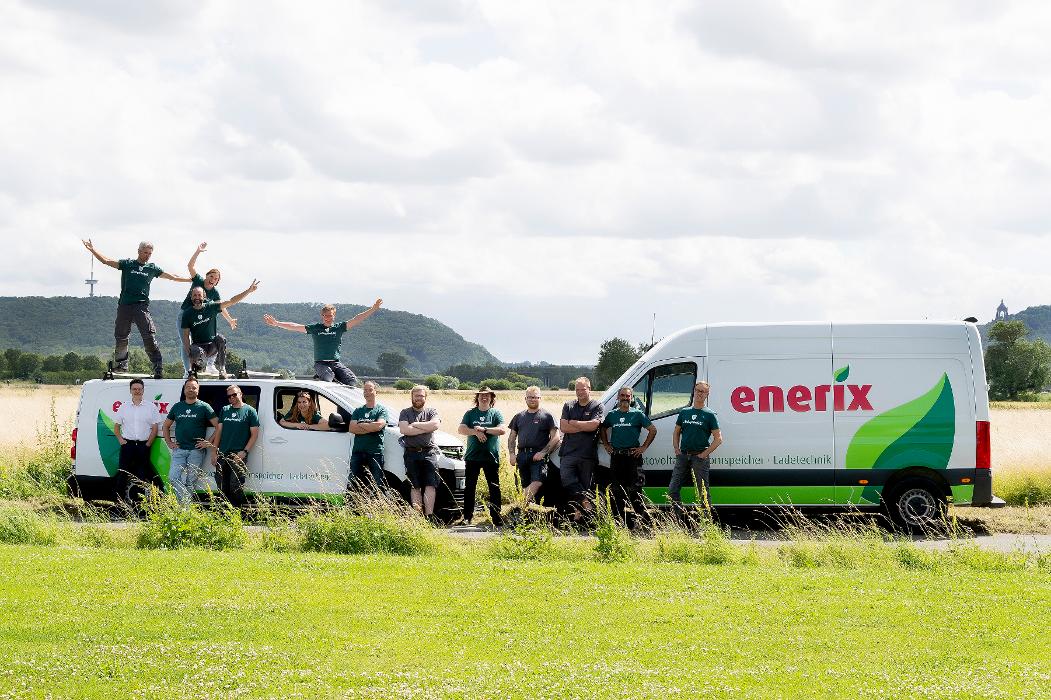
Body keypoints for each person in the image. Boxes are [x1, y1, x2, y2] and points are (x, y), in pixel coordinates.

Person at [82, 239, 192, 378]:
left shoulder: (152, 268)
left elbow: (172, 276)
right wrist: (92, 250)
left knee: (149, 336)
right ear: (139, 251)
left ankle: (157, 365)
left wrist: (189, 279)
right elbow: (106, 261)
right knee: (121, 336)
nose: (147, 255)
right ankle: (121, 364)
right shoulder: (128, 264)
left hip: (141, 306)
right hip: (125, 306)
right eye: (145, 252)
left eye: (150, 253)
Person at [262, 299, 383, 386]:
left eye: (330, 315)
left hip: (335, 363)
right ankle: (321, 376)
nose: (327, 318)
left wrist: (373, 309)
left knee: (352, 380)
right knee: (329, 376)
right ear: (322, 316)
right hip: (321, 364)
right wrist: (277, 323)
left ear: (334, 315)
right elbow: (295, 326)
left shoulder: (339, 327)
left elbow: (357, 319)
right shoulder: (316, 328)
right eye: (325, 316)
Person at [600, 386, 657, 527]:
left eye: (628, 396)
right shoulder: (612, 415)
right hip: (617, 457)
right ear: (618, 397)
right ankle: (619, 522)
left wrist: (643, 447)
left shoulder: (637, 414)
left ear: (631, 398)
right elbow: (603, 428)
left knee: (635, 490)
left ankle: (639, 523)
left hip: (633, 457)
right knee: (617, 490)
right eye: (623, 395)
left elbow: (652, 430)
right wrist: (606, 444)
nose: (625, 398)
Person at [181, 279, 260, 378]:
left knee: (220, 338)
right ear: (191, 297)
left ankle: (222, 369)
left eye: (199, 295)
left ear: (204, 296)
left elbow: (231, 301)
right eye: (195, 295)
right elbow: (185, 335)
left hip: (212, 346)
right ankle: (196, 368)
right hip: (199, 348)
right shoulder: (187, 313)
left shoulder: (211, 307)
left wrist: (248, 291)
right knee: (194, 350)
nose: (197, 297)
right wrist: (190, 354)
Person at [162, 378, 218, 505]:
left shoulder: (204, 407)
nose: (191, 389)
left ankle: (184, 509)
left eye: (194, 387)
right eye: (188, 387)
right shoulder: (177, 406)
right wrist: (169, 442)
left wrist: (208, 442)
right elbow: (165, 426)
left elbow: (218, 425)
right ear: (184, 389)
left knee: (190, 481)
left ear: (198, 390)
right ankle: (184, 505)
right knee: (173, 477)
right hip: (179, 450)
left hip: (196, 451)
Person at [669, 381, 723, 513]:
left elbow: (718, 439)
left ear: (707, 394)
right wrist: (676, 448)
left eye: (703, 391)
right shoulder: (684, 412)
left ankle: (705, 524)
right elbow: (676, 432)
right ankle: (678, 521)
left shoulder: (710, 414)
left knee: (703, 492)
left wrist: (704, 454)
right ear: (694, 391)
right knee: (673, 489)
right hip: (683, 456)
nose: (699, 393)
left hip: (700, 458)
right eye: (698, 390)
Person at [458, 387, 506, 527]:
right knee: (470, 487)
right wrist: (475, 432)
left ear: (491, 398)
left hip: (491, 457)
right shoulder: (470, 413)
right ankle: (467, 517)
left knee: (494, 487)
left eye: (487, 396)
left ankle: (496, 518)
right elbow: (461, 429)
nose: (484, 398)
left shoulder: (495, 413)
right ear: (477, 398)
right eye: (481, 396)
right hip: (472, 457)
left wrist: (484, 430)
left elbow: (502, 430)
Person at [559, 377, 604, 520]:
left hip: (587, 454)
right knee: (566, 479)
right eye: (577, 389)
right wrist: (584, 426)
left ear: (589, 389)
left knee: (585, 486)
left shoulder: (597, 406)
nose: (580, 392)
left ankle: (580, 518)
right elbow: (564, 427)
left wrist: (573, 422)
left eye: (583, 389)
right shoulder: (569, 405)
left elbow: (594, 425)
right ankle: (586, 503)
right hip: (568, 453)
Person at [508, 386, 560, 508]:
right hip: (521, 455)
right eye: (530, 397)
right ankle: (524, 517)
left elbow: (556, 438)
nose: (532, 400)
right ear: (525, 398)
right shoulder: (518, 417)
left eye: (535, 397)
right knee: (525, 486)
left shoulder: (547, 416)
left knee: (537, 483)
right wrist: (511, 454)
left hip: (538, 456)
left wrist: (543, 453)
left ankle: (517, 507)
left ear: (540, 398)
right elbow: (512, 437)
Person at [209, 384, 260, 505]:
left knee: (235, 486)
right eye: (229, 396)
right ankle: (226, 514)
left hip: (238, 454)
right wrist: (214, 451)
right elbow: (219, 432)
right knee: (221, 485)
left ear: (241, 394)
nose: (231, 397)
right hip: (222, 453)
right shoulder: (225, 410)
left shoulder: (250, 411)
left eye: (234, 394)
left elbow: (254, 435)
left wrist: (245, 451)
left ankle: (240, 513)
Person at [112, 378, 162, 496]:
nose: (137, 391)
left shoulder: (151, 407)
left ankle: (138, 505)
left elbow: (155, 428)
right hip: (127, 446)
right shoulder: (124, 407)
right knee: (122, 474)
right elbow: (116, 426)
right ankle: (119, 505)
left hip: (143, 446)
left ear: (143, 390)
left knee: (141, 475)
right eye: (134, 389)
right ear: (130, 391)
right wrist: (121, 440)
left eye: (139, 389)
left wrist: (148, 444)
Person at [398, 385, 442, 519]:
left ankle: (429, 517)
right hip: (411, 453)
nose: (419, 398)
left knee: (430, 484)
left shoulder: (431, 411)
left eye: (421, 396)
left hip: (429, 453)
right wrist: (426, 428)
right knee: (414, 485)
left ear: (426, 397)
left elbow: (435, 425)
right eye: (416, 396)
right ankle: (418, 517)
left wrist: (415, 425)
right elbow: (404, 430)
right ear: (412, 397)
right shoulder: (405, 412)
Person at [348, 381, 391, 493]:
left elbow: (378, 426)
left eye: (370, 390)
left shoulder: (381, 410)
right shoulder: (358, 411)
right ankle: (353, 507)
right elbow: (352, 429)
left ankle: (379, 507)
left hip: (375, 451)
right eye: (365, 390)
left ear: (376, 392)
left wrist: (361, 425)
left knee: (378, 483)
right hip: (357, 452)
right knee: (353, 481)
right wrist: (370, 427)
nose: (367, 392)